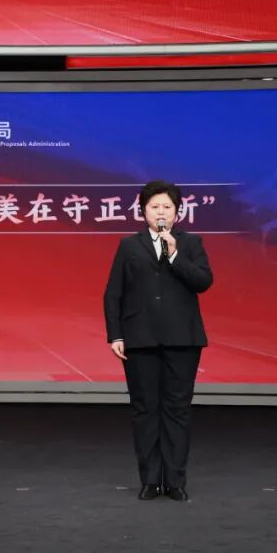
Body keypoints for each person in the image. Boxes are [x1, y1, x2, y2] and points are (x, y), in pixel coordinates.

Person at [103, 180, 213, 502]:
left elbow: (203, 281)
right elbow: (113, 293)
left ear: (177, 213)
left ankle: (175, 480)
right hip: (140, 338)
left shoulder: (190, 243)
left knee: (177, 409)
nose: (160, 212)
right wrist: (115, 334)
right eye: (154, 207)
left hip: (183, 338)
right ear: (143, 211)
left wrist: (175, 255)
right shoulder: (129, 246)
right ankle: (150, 479)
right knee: (145, 409)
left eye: (167, 206)